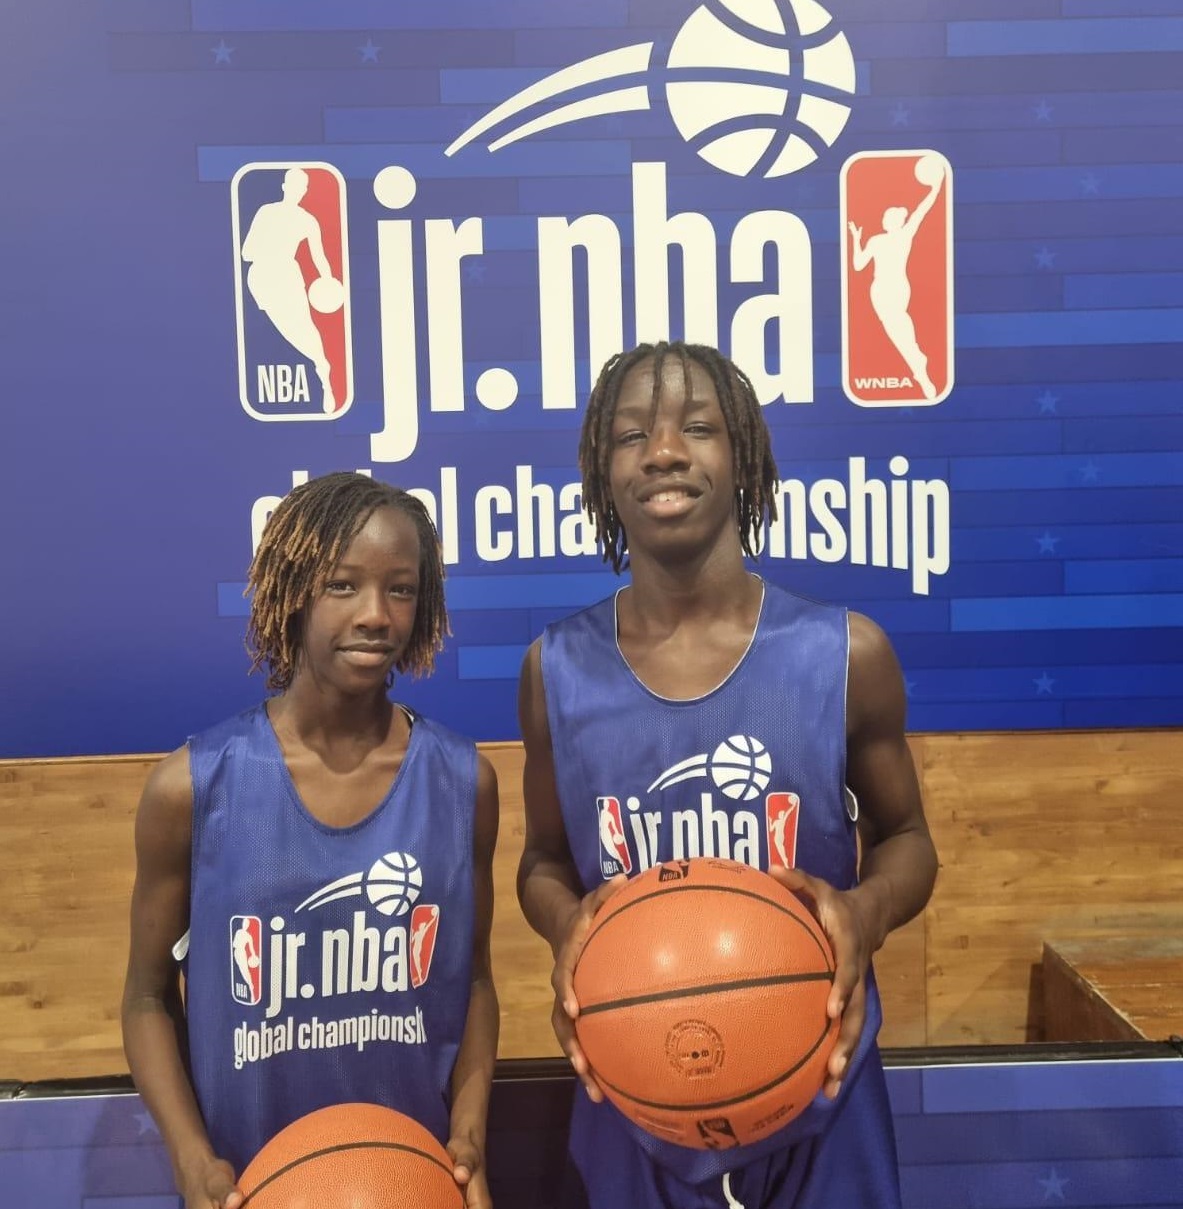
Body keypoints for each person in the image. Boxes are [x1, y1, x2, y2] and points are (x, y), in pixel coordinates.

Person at [517, 342, 938, 1209]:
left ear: (743, 457)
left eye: (698, 429)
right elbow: (543, 862)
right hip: (634, 1090)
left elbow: (907, 839)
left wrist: (863, 912)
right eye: (631, 435)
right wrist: (567, 929)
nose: (663, 452)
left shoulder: (844, 653)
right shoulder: (555, 668)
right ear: (600, 473)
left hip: (819, 1084)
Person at [122, 472, 499, 1209]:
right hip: (253, 1187)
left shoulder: (462, 780)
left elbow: (474, 983)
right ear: (293, 592)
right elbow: (145, 999)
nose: (375, 615)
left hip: (411, 1184)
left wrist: (470, 1127)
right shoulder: (193, 786)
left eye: (400, 589)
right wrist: (193, 1162)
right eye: (342, 585)